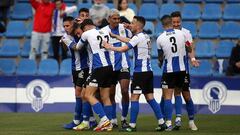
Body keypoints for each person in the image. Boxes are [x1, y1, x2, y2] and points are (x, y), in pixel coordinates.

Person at [104, 16, 166, 132]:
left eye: (132, 23)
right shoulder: (145, 36)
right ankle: (162, 122)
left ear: (138, 26)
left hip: (140, 73)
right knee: (150, 98)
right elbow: (130, 40)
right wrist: (116, 36)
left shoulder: (137, 37)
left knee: (134, 98)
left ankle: (131, 125)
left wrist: (109, 47)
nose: (130, 25)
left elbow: (123, 49)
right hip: (148, 71)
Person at [70, 19, 114, 132]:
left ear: (85, 28)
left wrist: (67, 41)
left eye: (82, 29)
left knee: (87, 95)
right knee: (105, 97)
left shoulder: (86, 33)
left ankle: (104, 120)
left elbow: (77, 47)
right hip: (109, 67)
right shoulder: (104, 32)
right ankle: (108, 124)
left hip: (99, 68)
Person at [156, 15, 192, 131]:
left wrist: (160, 62)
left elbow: (160, 57)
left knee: (167, 96)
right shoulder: (182, 34)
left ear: (163, 25)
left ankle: (168, 122)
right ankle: (178, 118)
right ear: (172, 23)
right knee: (177, 94)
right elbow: (189, 49)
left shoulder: (160, 38)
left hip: (169, 70)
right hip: (182, 70)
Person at [101, 9, 131, 128]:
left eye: (118, 19)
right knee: (111, 94)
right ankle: (113, 119)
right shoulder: (103, 31)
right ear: (109, 19)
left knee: (124, 91)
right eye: (114, 19)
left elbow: (134, 37)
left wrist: (130, 26)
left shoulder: (124, 29)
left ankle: (124, 118)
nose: (117, 21)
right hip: (110, 66)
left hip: (124, 65)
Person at [169, 11, 199, 131]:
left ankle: (191, 121)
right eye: (174, 22)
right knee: (171, 94)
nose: (176, 24)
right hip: (171, 69)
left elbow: (190, 48)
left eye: (177, 22)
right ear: (171, 22)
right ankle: (175, 119)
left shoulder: (186, 33)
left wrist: (192, 59)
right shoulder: (167, 33)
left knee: (186, 95)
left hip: (183, 69)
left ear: (181, 21)